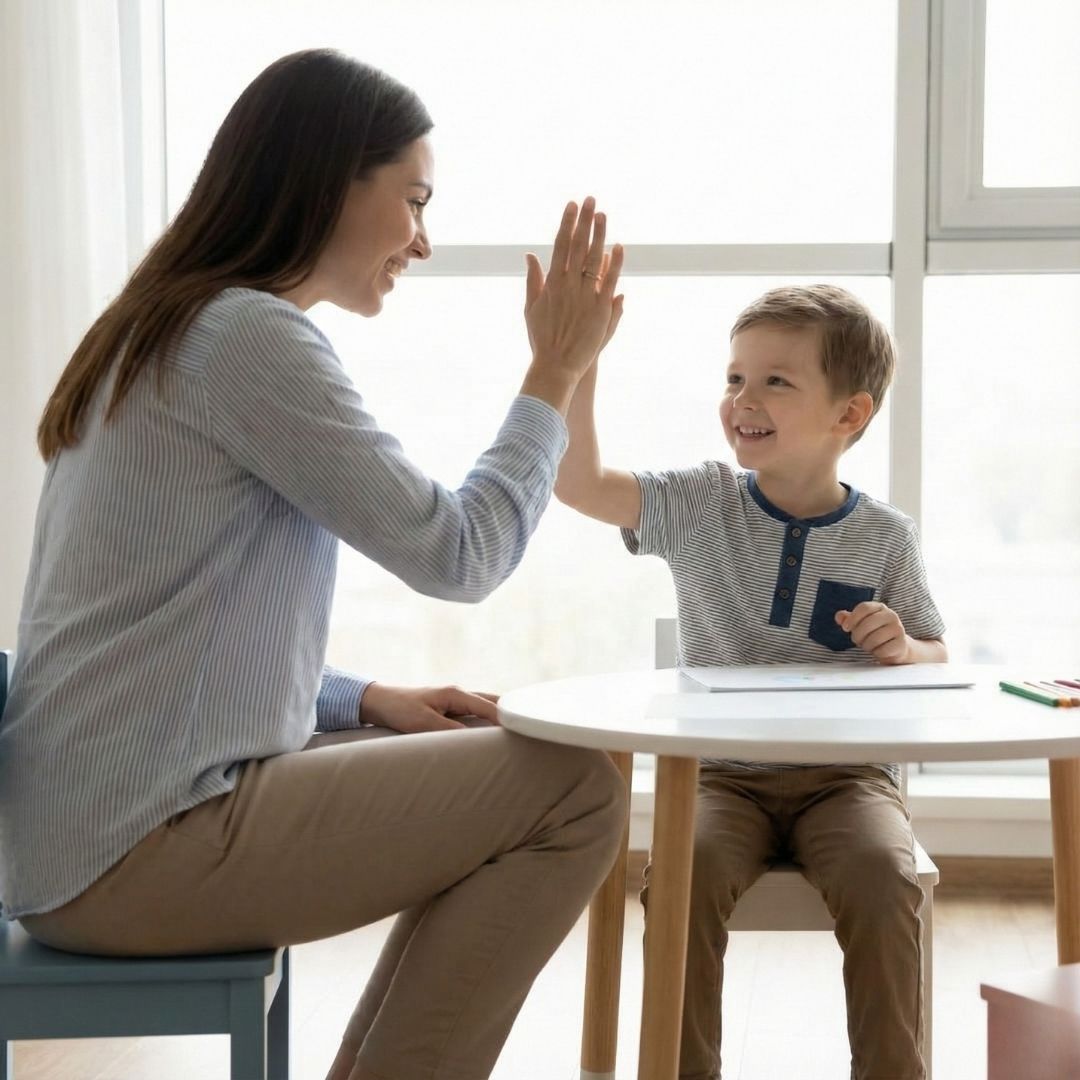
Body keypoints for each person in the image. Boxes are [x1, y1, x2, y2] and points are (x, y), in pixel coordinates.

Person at [0, 49, 630, 1080]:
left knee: (520, 786)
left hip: (90, 836)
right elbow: (459, 554)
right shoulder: (246, 337)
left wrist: (364, 698)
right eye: (413, 201)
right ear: (333, 175)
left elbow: (163, 629)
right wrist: (557, 370)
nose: (422, 242)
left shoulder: (169, 325)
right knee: (577, 793)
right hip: (134, 851)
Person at [554, 283, 947, 1080]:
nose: (743, 399)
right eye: (735, 379)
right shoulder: (701, 503)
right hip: (718, 779)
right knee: (684, 873)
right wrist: (581, 364)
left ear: (850, 415)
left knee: (882, 876)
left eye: (775, 380)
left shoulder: (885, 536)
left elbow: (938, 652)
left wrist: (904, 646)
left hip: (847, 780)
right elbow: (579, 483)